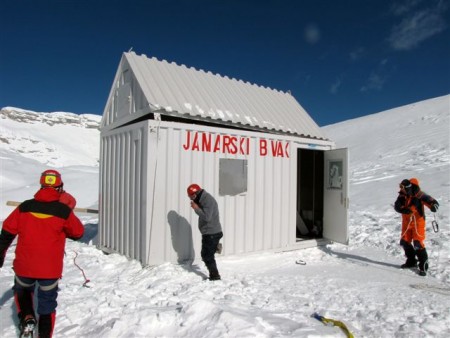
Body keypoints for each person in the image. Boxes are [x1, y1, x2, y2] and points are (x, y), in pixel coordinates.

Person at [0, 169, 84, 337]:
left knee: (22, 291)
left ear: (41, 185)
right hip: (49, 269)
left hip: (24, 265)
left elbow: (7, 231)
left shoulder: (25, 207)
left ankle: (27, 318)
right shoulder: (63, 211)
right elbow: (78, 233)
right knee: (47, 305)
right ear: (59, 187)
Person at [394, 178, 439, 276]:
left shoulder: (419, 194)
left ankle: (423, 266)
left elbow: (431, 200)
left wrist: (433, 205)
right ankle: (411, 261)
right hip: (406, 223)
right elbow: (397, 206)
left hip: (418, 222)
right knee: (405, 241)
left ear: (407, 187)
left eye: (402, 187)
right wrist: (403, 210)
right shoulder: (402, 195)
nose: (401, 189)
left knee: (418, 243)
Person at [187, 184, 223, 281]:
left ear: (195, 194)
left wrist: (196, 208)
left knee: (207, 256)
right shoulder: (203, 199)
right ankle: (215, 246)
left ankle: (215, 276)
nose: (191, 199)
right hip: (211, 232)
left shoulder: (207, 200)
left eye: (191, 197)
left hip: (211, 233)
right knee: (207, 253)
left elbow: (207, 217)